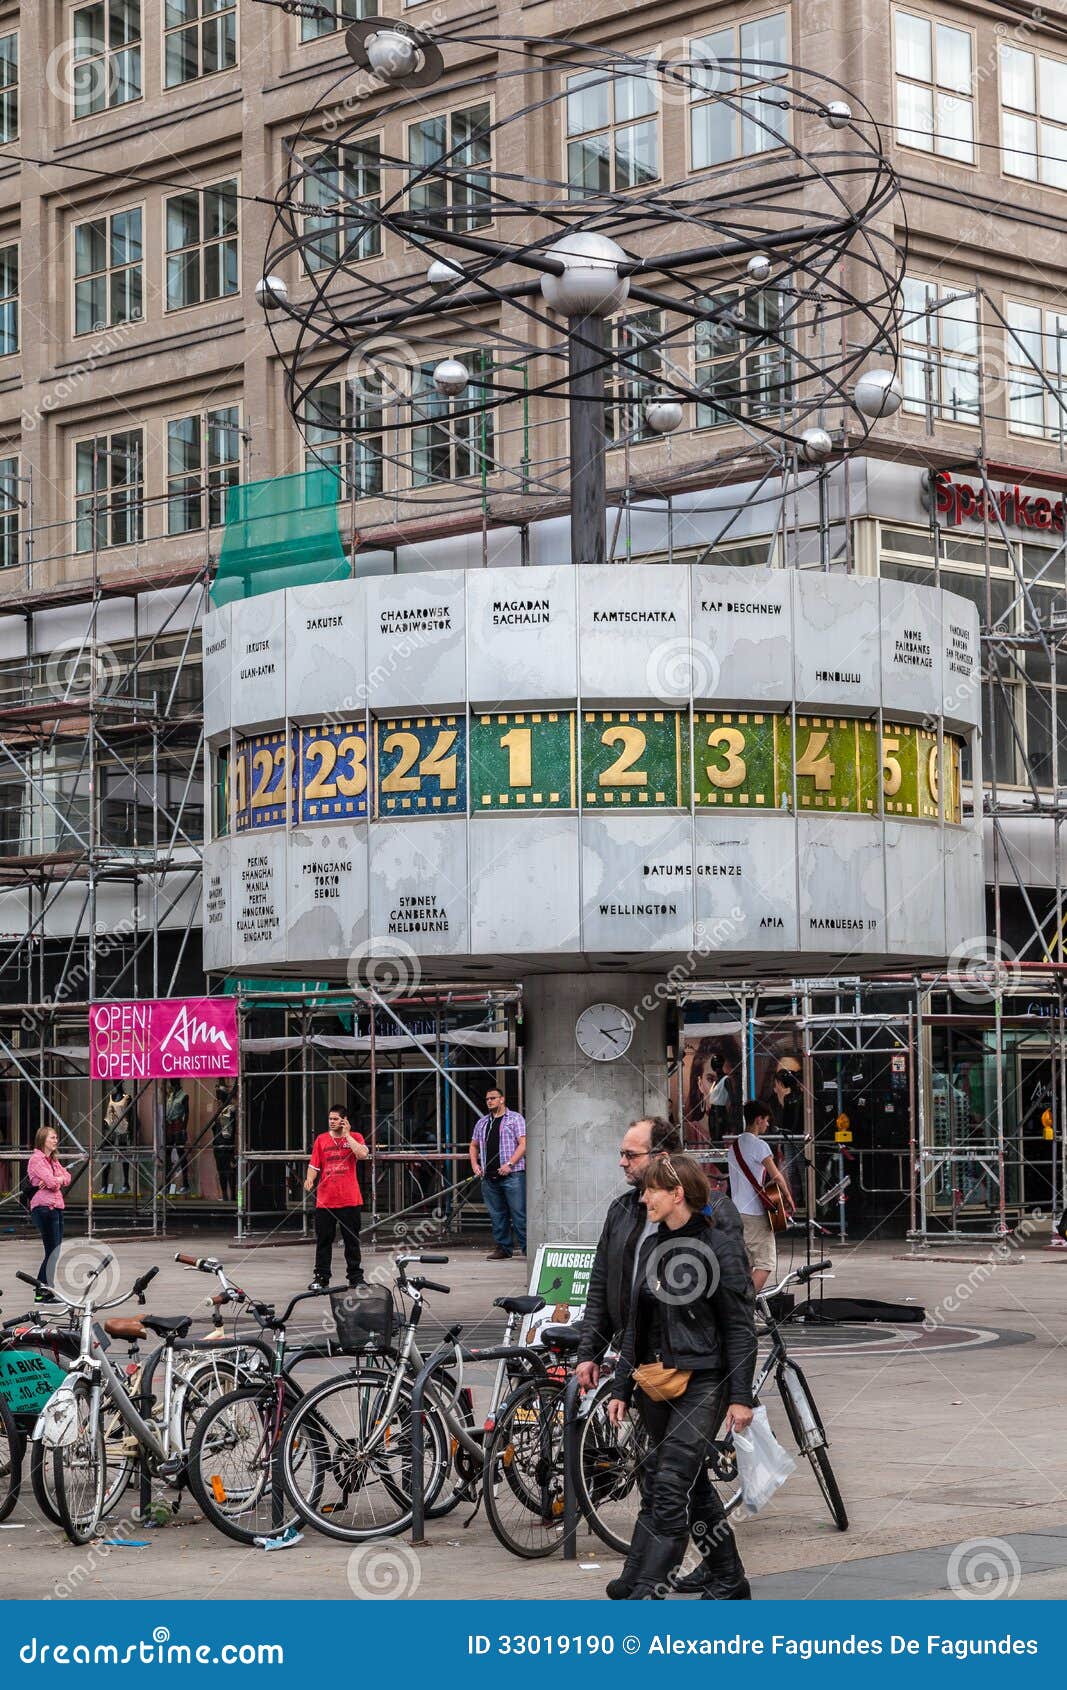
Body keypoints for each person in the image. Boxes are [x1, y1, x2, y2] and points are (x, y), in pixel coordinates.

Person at [606, 1153, 756, 1601]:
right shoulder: (652, 1246)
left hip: (704, 1381)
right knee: (677, 1481)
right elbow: (636, 1323)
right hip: (656, 1380)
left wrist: (741, 1396)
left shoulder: (720, 1246)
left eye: (653, 1189)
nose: (644, 1196)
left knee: (670, 1484)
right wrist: (621, 1386)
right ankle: (729, 1580)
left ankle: (648, 1590)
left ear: (677, 1194)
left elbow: (739, 1327)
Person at [577, 1115, 743, 1393]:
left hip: (694, 1364)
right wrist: (588, 1354)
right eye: (621, 1154)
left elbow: (734, 1303)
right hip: (636, 1354)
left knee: (684, 1436)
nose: (622, 1162)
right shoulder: (621, 1210)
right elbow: (600, 1285)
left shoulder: (714, 1210)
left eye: (631, 1155)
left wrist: (737, 1388)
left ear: (661, 1157)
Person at [727, 1099, 797, 1292]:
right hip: (756, 1214)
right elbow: (777, 1176)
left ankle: (739, 1307)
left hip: (737, 1212)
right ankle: (747, 1306)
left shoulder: (733, 1147)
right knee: (765, 1263)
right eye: (766, 1120)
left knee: (747, 1263)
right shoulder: (760, 1146)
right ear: (758, 1119)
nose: (767, 1124)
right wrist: (789, 1197)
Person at [305, 1104, 369, 1290]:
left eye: (335, 1119)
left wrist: (348, 1135)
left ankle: (355, 1277)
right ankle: (321, 1277)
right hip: (326, 1200)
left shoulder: (355, 1137)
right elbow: (314, 1165)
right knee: (323, 1240)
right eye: (330, 1119)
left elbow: (363, 1154)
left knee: (352, 1240)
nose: (331, 1122)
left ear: (344, 1119)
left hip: (349, 1198)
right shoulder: (321, 1140)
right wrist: (310, 1179)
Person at [470, 1087, 526, 1260]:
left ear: (502, 1099)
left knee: (519, 1214)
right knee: (497, 1215)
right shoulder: (482, 1123)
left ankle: (528, 1249)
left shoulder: (515, 1119)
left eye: (493, 1098)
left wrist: (510, 1164)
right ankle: (503, 1248)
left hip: (512, 1175)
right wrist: (475, 1164)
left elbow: (523, 1144)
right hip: (489, 1176)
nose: (489, 1101)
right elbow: (473, 1145)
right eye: (487, 1099)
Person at [27, 1126, 72, 1298]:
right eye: (52, 1137)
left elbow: (66, 1177)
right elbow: (52, 1183)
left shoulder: (52, 1160)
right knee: (52, 1251)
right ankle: (43, 1290)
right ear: (43, 1139)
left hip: (56, 1207)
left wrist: (58, 1179)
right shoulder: (37, 1160)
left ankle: (43, 1289)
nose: (55, 1140)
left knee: (55, 1251)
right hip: (44, 1208)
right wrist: (57, 1180)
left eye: (56, 1137)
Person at [98, 1082, 133, 1196]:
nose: (114, 1082)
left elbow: (131, 1115)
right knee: (106, 1156)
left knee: (123, 1157)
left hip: (123, 1129)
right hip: (111, 1130)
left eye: (117, 1080)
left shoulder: (127, 1097)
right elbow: (108, 1114)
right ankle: (104, 1185)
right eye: (113, 1080)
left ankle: (126, 1183)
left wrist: (131, 1132)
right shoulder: (111, 1097)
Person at [164, 1078, 191, 1195]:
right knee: (167, 1155)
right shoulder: (170, 1095)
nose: (171, 1083)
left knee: (181, 1154)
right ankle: (167, 1184)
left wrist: (184, 1129)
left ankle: (185, 1183)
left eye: (172, 1081)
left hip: (178, 1125)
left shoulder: (184, 1096)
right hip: (169, 1127)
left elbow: (187, 1113)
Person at [212, 1083, 238, 1203]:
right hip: (218, 1144)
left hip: (227, 1144)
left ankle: (233, 1195)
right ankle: (224, 1194)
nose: (218, 1098)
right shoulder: (219, 1110)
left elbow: (232, 1129)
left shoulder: (230, 1109)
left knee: (230, 1170)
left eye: (220, 1095)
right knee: (221, 1170)